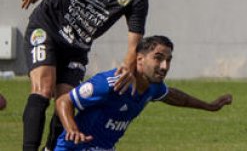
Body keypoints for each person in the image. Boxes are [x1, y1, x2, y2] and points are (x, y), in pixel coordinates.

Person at [19, 0, 156, 151]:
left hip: (78, 47)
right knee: (43, 89)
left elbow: (135, 38)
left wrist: (129, 64)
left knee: (66, 103)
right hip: (47, 27)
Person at [54, 35, 232, 150]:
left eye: (168, 60)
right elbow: (64, 101)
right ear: (139, 59)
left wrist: (210, 106)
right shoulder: (110, 83)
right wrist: (72, 129)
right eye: (158, 58)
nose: (165, 67)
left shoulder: (153, 86)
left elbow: (178, 98)